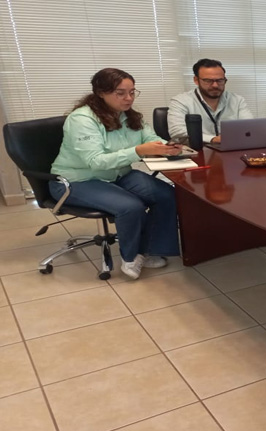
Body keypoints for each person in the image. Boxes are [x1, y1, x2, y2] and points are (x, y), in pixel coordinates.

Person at [49, 68, 181, 280]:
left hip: (118, 174)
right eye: (121, 93)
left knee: (167, 194)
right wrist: (138, 151)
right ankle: (131, 257)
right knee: (130, 206)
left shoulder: (129, 116)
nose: (129, 98)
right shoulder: (82, 119)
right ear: (101, 92)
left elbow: (150, 138)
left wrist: (167, 146)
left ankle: (149, 250)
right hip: (77, 180)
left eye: (132, 92)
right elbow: (95, 161)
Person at [168, 58, 254, 144]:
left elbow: (250, 127)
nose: (215, 85)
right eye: (208, 81)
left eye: (220, 80)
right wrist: (212, 139)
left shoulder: (237, 100)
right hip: (197, 149)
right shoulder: (181, 101)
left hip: (231, 148)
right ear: (196, 80)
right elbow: (178, 132)